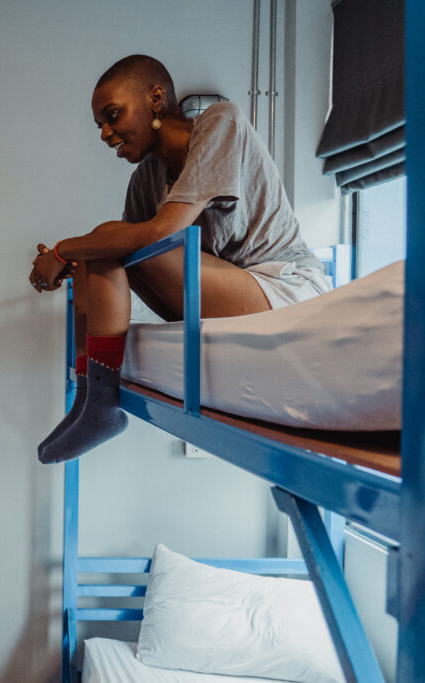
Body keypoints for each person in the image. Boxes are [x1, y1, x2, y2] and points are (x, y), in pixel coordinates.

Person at [31, 54, 330, 465]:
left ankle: (98, 405)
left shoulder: (221, 122)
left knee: (102, 241)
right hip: (220, 288)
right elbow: (113, 253)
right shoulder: (145, 180)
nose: (105, 133)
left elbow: (162, 232)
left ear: (156, 98)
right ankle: (92, 400)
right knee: (99, 252)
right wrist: (74, 260)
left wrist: (64, 249)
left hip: (283, 286)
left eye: (112, 115)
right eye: (100, 124)